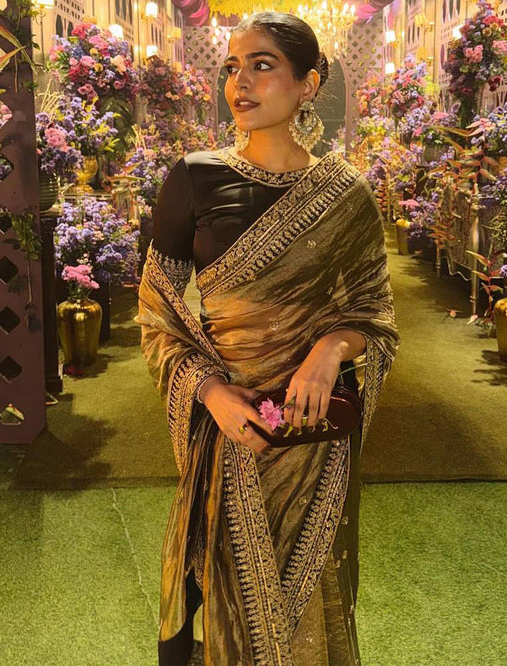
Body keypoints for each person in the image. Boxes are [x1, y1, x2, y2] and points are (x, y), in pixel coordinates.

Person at [135, 11, 399, 665]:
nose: (240, 82)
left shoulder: (346, 196)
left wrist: (330, 349)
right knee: (232, 591)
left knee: (310, 598)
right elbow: (157, 312)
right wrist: (211, 393)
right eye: (232, 67)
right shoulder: (193, 178)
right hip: (229, 431)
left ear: (308, 84)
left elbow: (374, 313)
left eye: (262, 65)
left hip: (314, 436)